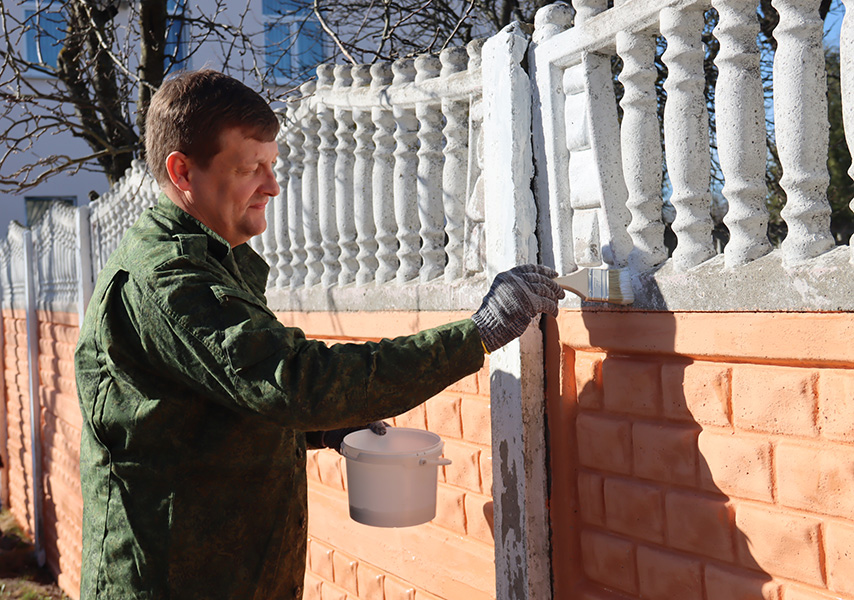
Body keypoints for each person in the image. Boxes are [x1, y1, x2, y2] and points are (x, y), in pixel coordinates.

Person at [74, 69, 564, 599]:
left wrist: (319, 430)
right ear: (183, 172)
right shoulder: (170, 278)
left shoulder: (212, 263)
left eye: (272, 165)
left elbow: (223, 390)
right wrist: (478, 334)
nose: (272, 185)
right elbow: (295, 381)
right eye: (249, 168)